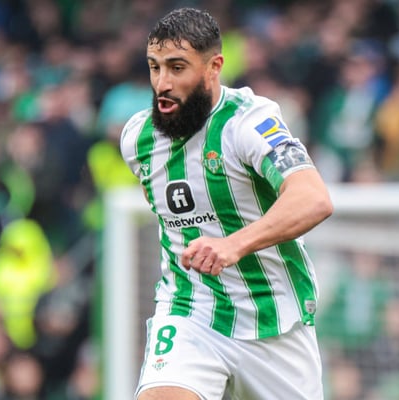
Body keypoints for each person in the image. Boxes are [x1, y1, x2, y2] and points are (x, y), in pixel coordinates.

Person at [120, 7, 333, 400]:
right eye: (154, 67)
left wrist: (234, 244)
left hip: (273, 321)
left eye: (177, 68)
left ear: (214, 67)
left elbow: (313, 198)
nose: (162, 83)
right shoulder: (138, 139)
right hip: (191, 311)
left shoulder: (250, 122)